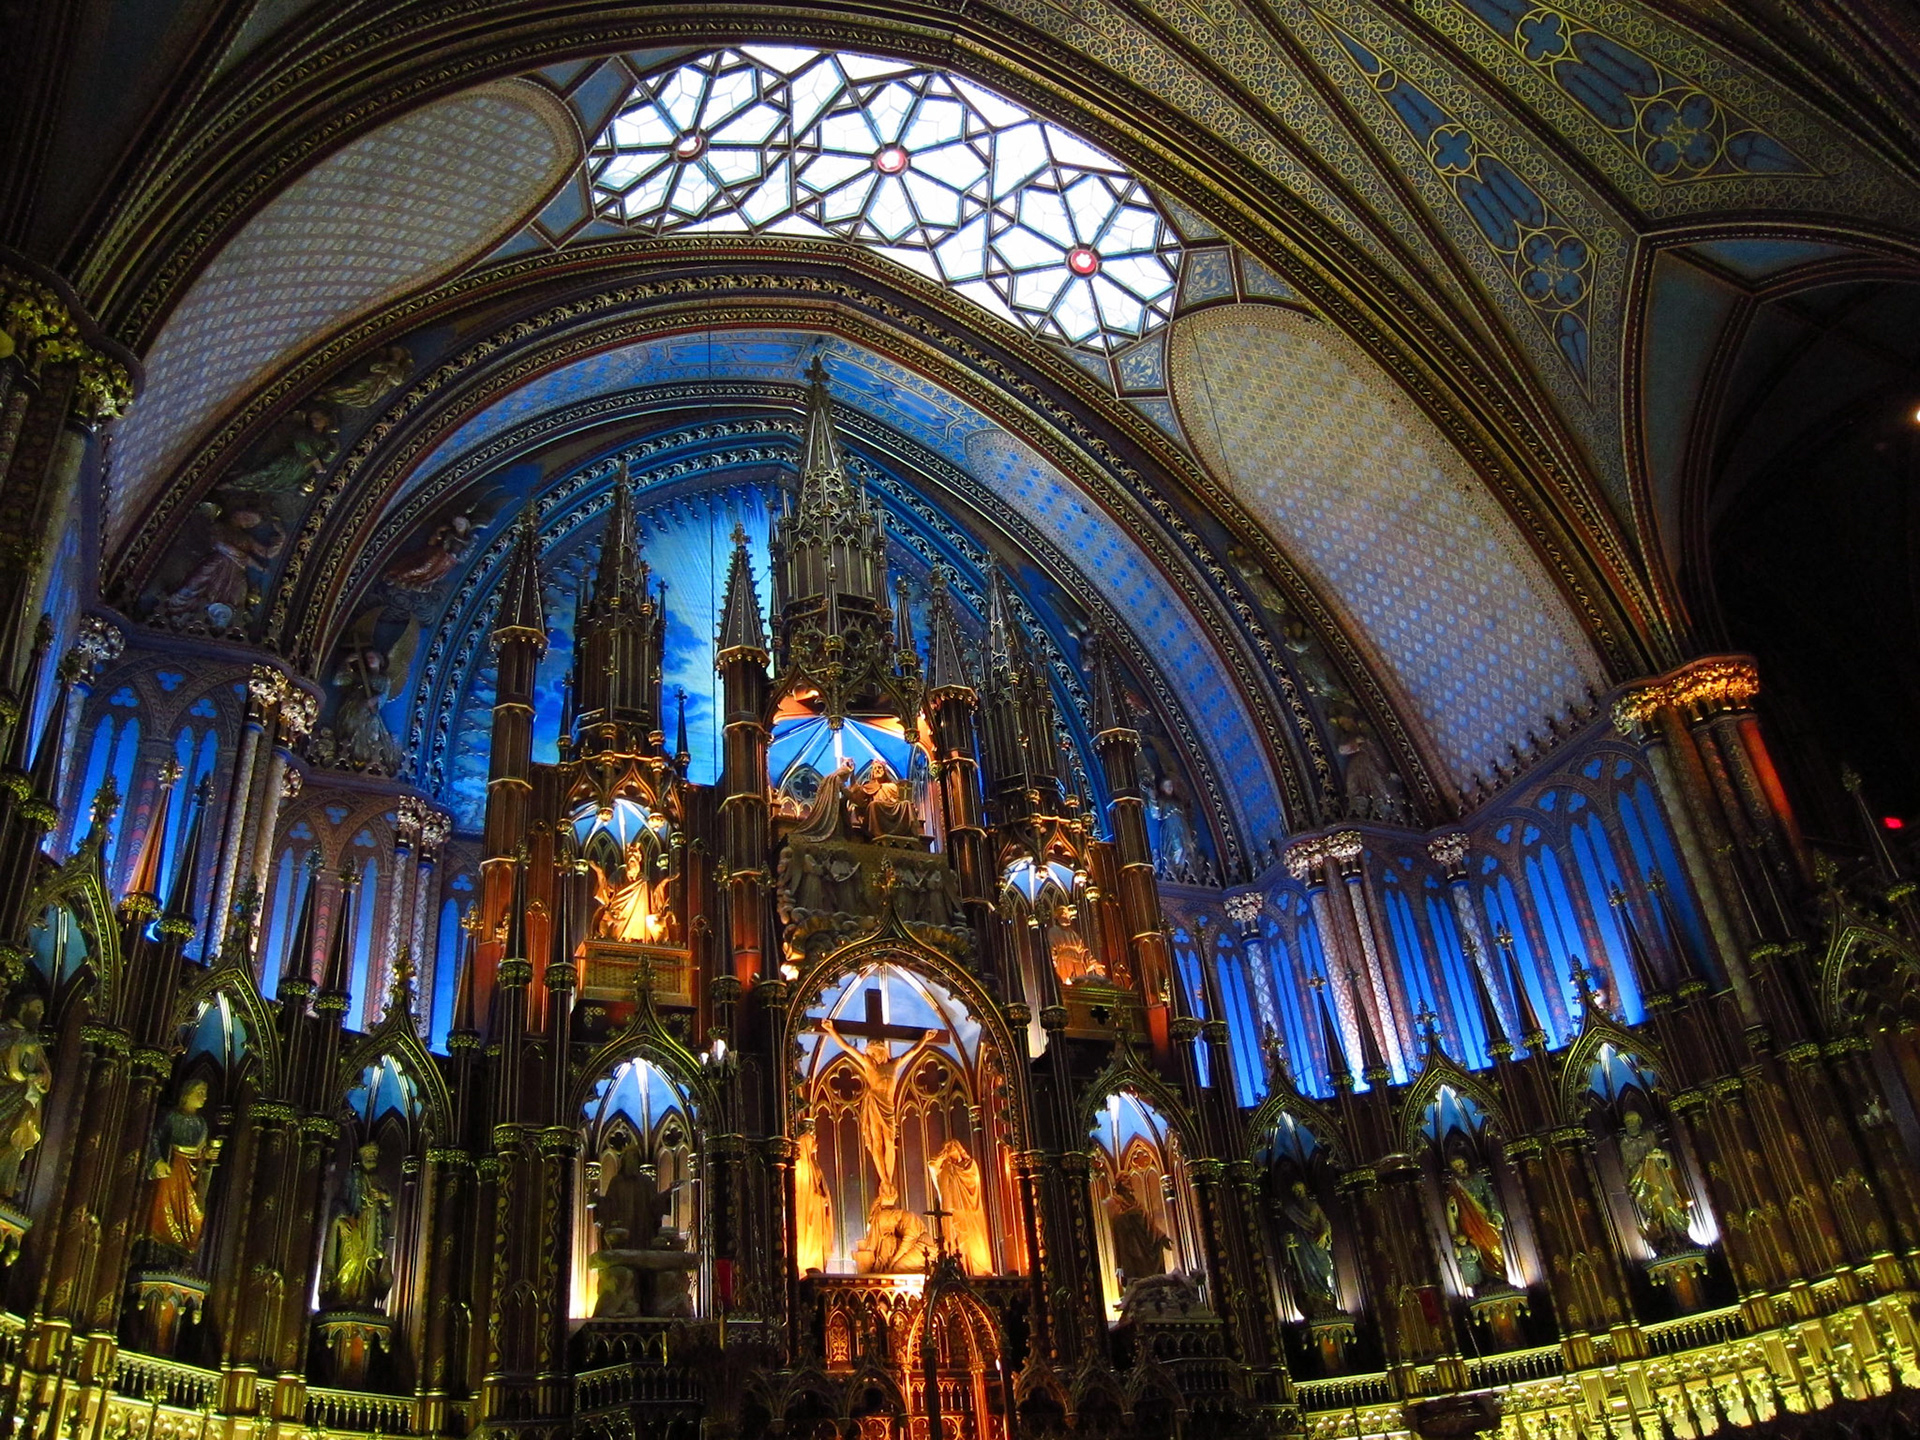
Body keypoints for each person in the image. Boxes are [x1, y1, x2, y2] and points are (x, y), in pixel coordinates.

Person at [818, 1019, 942, 1207]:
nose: (872, 1055)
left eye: (874, 1052)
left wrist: (924, 1039)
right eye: (870, 1053)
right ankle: (884, 1179)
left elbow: (911, 1053)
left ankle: (888, 1179)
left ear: (881, 1051)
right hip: (874, 1104)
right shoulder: (869, 1065)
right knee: (877, 1141)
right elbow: (848, 1048)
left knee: (890, 1142)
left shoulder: (894, 1064)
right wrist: (831, 1030)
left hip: (888, 1106)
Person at [144, 1079, 220, 1263]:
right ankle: (156, 1251)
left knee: (196, 1214)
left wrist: (207, 1155)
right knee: (163, 1209)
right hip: (173, 1168)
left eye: (205, 1093)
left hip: (192, 1174)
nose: (204, 1097)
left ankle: (183, 1253)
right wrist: (157, 1161)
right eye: (200, 1092)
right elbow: (153, 1137)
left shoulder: (201, 1123)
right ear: (187, 1093)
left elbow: (200, 1152)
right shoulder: (171, 1116)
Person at [322, 1142, 393, 1309]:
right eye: (368, 1153)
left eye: (374, 1154)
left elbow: (388, 1209)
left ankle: (365, 1300)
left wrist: (384, 1197)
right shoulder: (352, 1177)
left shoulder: (379, 1180)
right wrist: (340, 1220)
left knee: (370, 1266)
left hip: (372, 1233)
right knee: (350, 1263)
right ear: (361, 1156)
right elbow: (339, 1200)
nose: (372, 1157)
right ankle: (343, 1299)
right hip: (354, 1229)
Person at [1619, 1111, 1693, 1251]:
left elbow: (1667, 1156)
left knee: (1669, 1204)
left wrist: (1659, 1155)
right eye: (1628, 1122)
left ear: (1640, 1121)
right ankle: (1663, 1239)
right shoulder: (1625, 1143)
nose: (1631, 1124)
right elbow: (1628, 1167)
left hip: (1659, 1178)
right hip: (1642, 1183)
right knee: (1654, 1212)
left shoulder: (1650, 1135)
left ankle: (1681, 1235)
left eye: (1633, 1121)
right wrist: (1644, 1163)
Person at [0, 997, 52, 1197]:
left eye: (42, 1010)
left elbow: (45, 1072)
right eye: (37, 1008)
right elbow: (11, 1068)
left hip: (22, 1100)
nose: (40, 1013)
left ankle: (4, 1190)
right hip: (5, 1093)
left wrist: (38, 1077)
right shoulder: (4, 1032)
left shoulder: (32, 1040)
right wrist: (20, 1075)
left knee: (14, 1143)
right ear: (23, 1007)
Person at [928, 1138, 992, 1275]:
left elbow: (972, 1181)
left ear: (958, 1148)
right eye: (946, 1149)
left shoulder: (969, 1165)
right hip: (951, 1210)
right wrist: (942, 1156)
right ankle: (954, 1266)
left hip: (966, 1209)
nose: (948, 1151)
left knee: (969, 1240)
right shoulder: (945, 1168)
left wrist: (956, 1172)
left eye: (951, 1147)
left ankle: (974, 1267)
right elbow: (932, 1165)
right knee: (953, 1238)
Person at [1443, 1154, 1508, 1290]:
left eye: (1460, 1164)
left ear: (1465, 1164)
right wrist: (1452, 1206)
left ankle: (1500, 1275)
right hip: (1468, 1221)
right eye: (1455, 1166)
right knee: (1476, 1248)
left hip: (1484, 1218)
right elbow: (1453, 1209)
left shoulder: (1478, 1178)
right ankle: (1485, 1279)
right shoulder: (1454, 1185)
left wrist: (1495, 1214)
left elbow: (1489, 1196)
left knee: (1493, 1247)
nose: (1458, 1167)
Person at [1281, 1180, 1338, 1314]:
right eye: (1295, 1190)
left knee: (1325, 1271)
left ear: (1305, 1189)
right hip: (1302, 1246)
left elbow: (1324, 1223)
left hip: (1316, 1244)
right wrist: (1288, 1238)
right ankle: (1313, 1304)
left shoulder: (1313, 1206)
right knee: (1307, 1272)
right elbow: (1285, 1230)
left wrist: (1324, 1234)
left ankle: (1329, 1300)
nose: (1298, 1192)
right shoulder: (1291, 1210)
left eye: (1300, 1189)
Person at [793, 1128, 833, 1274]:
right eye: (812, 1141)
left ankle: (814, 1266)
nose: (815, 1145)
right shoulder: (799, 1165)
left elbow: (821, 1189)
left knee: (814, 1243)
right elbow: (801, 1193)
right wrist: (817, 1199)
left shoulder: (814, 1166)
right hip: (804, 1213)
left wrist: (822, 1200)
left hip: (817, 1214)